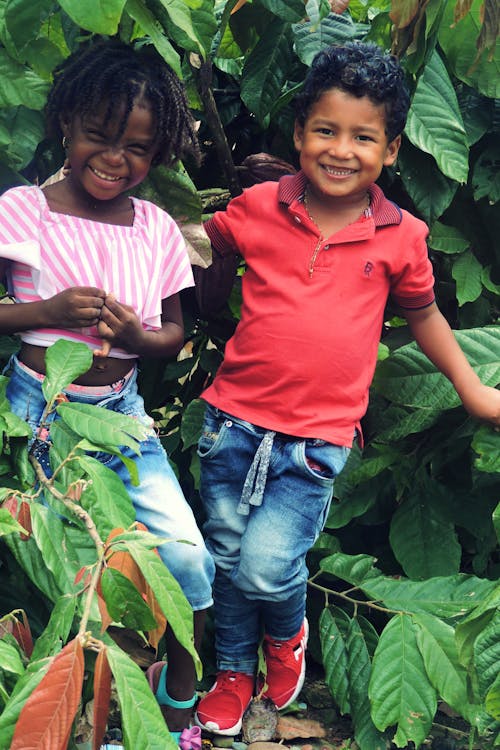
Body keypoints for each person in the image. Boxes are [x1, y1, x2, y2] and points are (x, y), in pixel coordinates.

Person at [193, 40, 500, 736]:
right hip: (231, 424)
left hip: (314, 440)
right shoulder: (257, 208)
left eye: (363, 137)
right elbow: (189, 245)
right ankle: (233, 672)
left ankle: (287, 635)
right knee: (226, 553)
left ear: (392, 151)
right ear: (300, 133)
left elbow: (425, 316)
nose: (341, 149)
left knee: (268, 568)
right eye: (326, 130)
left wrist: (475, 389)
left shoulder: (402, 236)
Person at [0, 38, 214, 747]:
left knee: (184, 555)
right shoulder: (25, 209)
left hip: (122, 418)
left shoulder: (154, 227)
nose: (115, 158)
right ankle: (83, 720)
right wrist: (45, 314)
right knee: (77, 574)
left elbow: (172, 335)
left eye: (138, 147)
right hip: (41, 415)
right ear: (65, 122)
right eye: (99, 135)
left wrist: (135, 333)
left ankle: (177, 699)